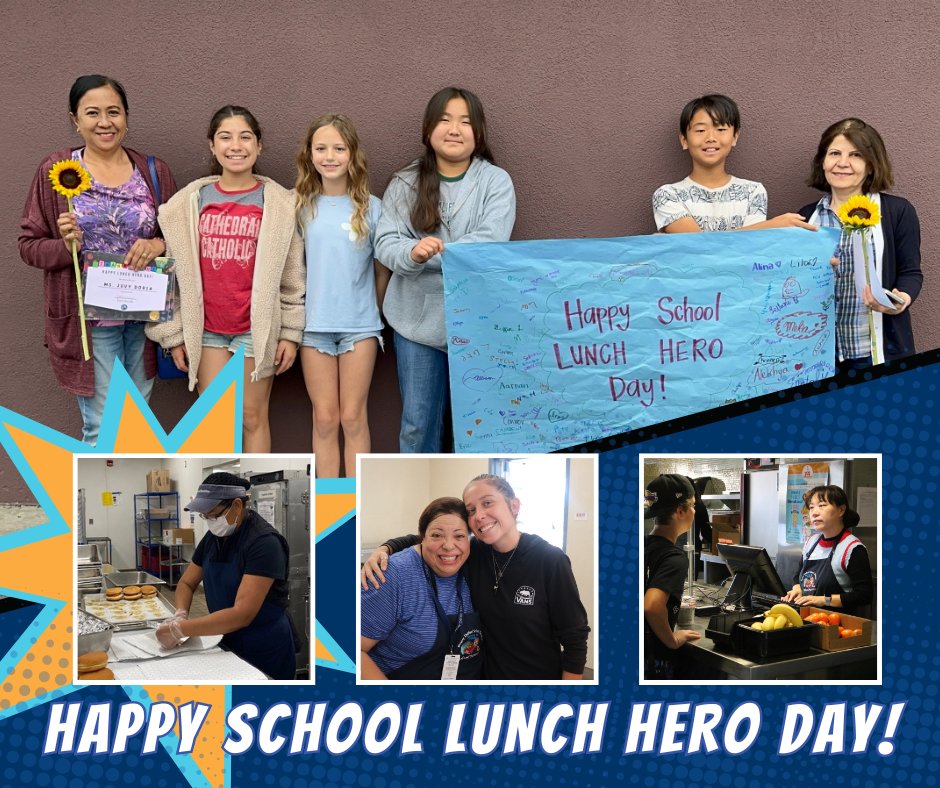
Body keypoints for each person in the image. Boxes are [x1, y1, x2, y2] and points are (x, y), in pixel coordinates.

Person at [19, 74, 177, 445]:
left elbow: (178, 236)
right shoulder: (56, 172)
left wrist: (159, 245)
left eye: (113, 112)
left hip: (145, 319)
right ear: (75, 119)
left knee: (138, 424)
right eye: (93, 113)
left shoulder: (153, 171)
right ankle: (96, 504)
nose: (105, 122)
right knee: (103, 426)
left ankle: (126, 502)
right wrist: (65, 246)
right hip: (90, 324)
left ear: (126, 117)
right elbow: (28, 245)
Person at [145, 106, 304, 451]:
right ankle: (218, 500)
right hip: (205, 330)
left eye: (245, 136)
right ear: (212, 146)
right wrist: (172, 336)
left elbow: (292, 276)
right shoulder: (187, 204)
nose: (236, 145)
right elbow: (170, 276)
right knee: (213, 418)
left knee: (252, 416)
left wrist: (290, 332)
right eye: (225, 137)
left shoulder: (279, 204)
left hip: (254, 328)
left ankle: (255, 498)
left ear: (259, 146)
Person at [374, 87, 516, 453]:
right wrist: (410, 253)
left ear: (479, 133)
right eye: (445, 120)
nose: (455, 129)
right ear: (428, 129)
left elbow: (491, 243)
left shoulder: (495, 182)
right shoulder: (404, 182)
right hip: (415, 323)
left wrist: (429, 255)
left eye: (465, 122)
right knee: (417, 424)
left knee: (477, 426)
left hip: (478, 324)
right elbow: (385, 243)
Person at [363, 474, 589, 680]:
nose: (480, 515)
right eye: (471, 510)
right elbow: (430, 538)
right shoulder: (475, 553)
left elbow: (575, 639)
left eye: (488, 503)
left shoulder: (549, 560)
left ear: (514, 505)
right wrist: (386, 549)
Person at [295, 114, 388, 477]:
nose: (329, 156)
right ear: (310, 154)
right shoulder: (300, 205)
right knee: (325, 418)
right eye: (321, 148)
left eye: (338, 148)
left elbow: (382, 270)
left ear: (352, 154)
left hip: (360, 327)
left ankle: (352, 506)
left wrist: (372, 312)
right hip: (313, 328)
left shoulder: (372, 206)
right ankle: (330, 509)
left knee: (352, 416)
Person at [798, 118, 923, 368]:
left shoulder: (897, 211)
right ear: (822, 161)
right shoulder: (806, 217)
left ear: (871, 165)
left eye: (855, 155)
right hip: (820, 356)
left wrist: (900, 300)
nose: (842, 163)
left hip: (877, 351)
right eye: (834, 153)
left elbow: (911, 272)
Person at [155, 473, 297, 679]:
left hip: (262, 646)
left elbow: (242, 614)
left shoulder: (264, 543)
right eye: (204, 516)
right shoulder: (213, 538)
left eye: (212, 514)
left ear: (237, 506)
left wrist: (181, 629)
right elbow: (187, 582)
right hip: (223, 637)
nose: (209, 521)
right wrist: (180, 613)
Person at [653, 94, 814, 233]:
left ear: (735, 137)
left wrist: (760, 231)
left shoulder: (753, 192)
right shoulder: (667, 195)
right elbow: (698, 245)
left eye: (721, 129)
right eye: (700, 130)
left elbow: (747, 248)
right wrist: (769, 226)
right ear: (684, 140)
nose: (711, 138)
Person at [361, 497, 482, 680]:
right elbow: (349, 650)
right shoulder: (393, 575)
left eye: (459, 536)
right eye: (436, 535)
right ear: (422, 538)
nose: (449, 546)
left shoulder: (473, 563)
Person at [643, 473, 701, 680]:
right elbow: (651, 605)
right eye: (692, 505)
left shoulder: (642, 545)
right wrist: (672, 640)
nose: (695, 511)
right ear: (680, 511)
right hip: (653, 660)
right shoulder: (674, 558)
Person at [782, 484, 872, 616]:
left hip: (837, 625)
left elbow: (865, 595)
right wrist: (797, 588)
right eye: (811, 507)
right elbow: (798, 575)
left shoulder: (852, 548)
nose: (814, 512)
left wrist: (824, 600)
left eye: (822, 505)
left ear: (841, 510)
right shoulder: (810, 542)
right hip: (808, 619)